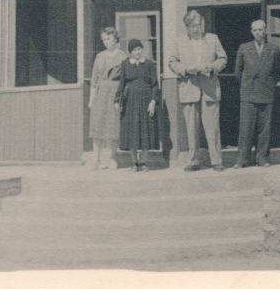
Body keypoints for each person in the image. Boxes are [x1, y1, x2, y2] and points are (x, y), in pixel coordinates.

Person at [169, 10, 228, 172]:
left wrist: (211, 68)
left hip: (209, 87)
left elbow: (223, 58)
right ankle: (194, 161)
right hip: (189, 88)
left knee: (212, 127)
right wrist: (186, 69)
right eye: (193, 26)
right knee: (191, 127)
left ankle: (216, 160)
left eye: (199, 25)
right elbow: (172, 62)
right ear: (187, 27)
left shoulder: (213, 38)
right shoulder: (179, 42)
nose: (197, 29)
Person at [233, 19, 280, 168]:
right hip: (249, 92)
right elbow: (238, 72)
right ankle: (242, 159)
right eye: (255, 30)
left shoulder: (273, 49)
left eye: (260, 30)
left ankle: (262, 158)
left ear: (265, 30)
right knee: (246, 128)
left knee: (264, 128)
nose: (258, 33)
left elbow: (276, 72)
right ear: (251, 32)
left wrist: (268, 84)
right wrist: (247, 85)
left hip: (266, 92)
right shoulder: (244, 48)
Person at [88, 27, 129, 170]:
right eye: (104, 39)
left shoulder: (123, 56)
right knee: (96, 125)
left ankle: (112, 157)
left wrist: (122, 99)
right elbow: (94, 78)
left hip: (115, 92)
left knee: (113, 126)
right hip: (100, 92)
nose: (106, 42)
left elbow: (125, 80)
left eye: (109, 39)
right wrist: (91, 99)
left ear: (116, 39)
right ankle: (96, 159)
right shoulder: (99, 56)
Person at [115, 39, 159, 172]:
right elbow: (121, 84)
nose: (137, 52)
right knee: (132, 132)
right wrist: (117, 100)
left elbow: (155, 85)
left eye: (139, 49)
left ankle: (143, 162)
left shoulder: (150, 64)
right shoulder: (125, 64)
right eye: (134, 50)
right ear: (130, 52)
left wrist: (153, 102)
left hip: (146, 101)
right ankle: (134, 163)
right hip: (130, 102)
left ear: (142, 49)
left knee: (146, 130)